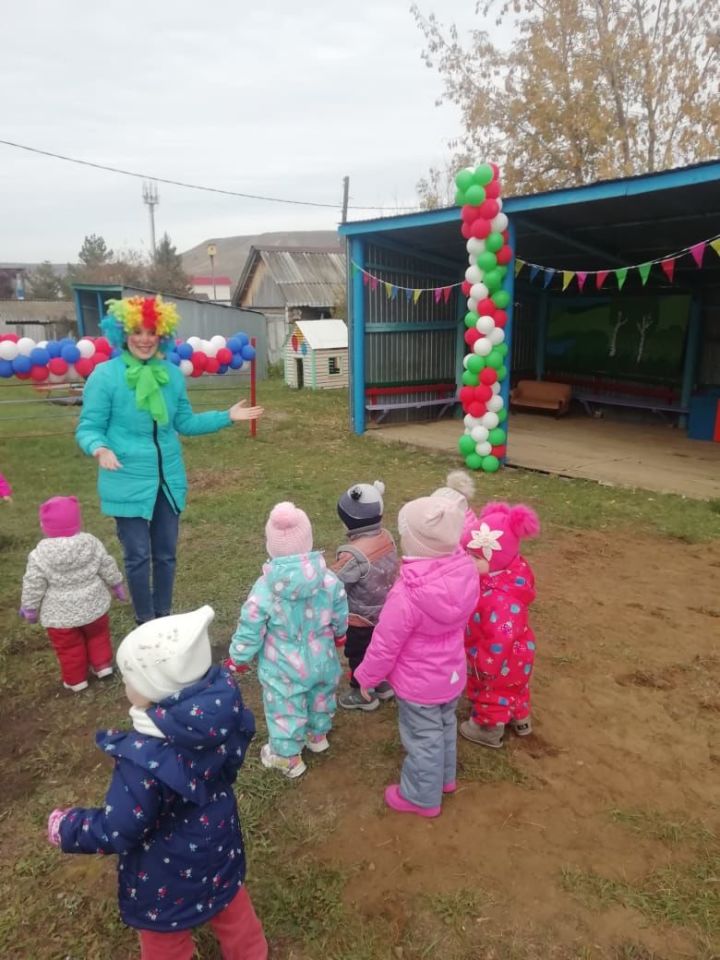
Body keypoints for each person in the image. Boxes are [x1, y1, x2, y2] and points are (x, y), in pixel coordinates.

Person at [46, 606, 267, 960]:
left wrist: (69, 827)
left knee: (165, 932)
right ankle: (251, 952)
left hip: (163, 870)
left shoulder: (144, 759)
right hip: (219, 840)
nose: (125, 684)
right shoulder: (223, 718)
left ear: (156, 689)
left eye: (130, 678)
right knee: (229, 900)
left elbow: (120, 827)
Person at [75, 295, 263, 625]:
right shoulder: (105, 377)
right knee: (137, 556)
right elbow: (89, 427)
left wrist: (226, 416)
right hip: (126, 477)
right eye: (137, 331)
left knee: (166, 555)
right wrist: (99, 449)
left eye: (151, 332)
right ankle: (145, 620)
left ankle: (163, 616)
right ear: (123, 333)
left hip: (168, 480)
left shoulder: (171, 375)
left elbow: (185, 424)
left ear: (161, 334)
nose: (145, 339)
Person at [354, 496, 479, 818]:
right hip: (451, 673)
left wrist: (367, 676)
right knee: (444, 724)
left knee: (423, 738)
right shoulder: (466, 570)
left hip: (419, 684)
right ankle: (445, 778)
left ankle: (421, 797)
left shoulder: (407, 595)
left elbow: (385, 644)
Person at [228, 502, 348, 779]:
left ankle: (287, 757)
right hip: (322, 656)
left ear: (271, 546)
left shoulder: (265, 588)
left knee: (285, 707)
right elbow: (341, 610)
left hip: (283, 665)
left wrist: (239, 658)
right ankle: (317, 736)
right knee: (320, 694)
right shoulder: (329, 579)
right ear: (309, 541)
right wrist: (340, 633)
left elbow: (251, 624)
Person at [20, 495, 126, 692]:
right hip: (93, 605)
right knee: (98, 635)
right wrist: (117, 584)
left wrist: (30, 608)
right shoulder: (91, 543)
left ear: (44, 526)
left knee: (69, 647)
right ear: (78, 522)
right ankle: (102, 666)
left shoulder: (39, 554)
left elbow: (33, 583)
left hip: (60, 615)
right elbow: (106, 564)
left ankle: (76, 680)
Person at [460, 501, 540, 749]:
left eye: (475, 557)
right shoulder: (508, 571)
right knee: (515, 688)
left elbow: (499, 639)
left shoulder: (500, 600)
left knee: (493, 691)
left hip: (499, 657)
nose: (468, 561)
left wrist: (482, 665)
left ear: (496, 557)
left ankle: (488, 729)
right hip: (518, 652)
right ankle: (520, 720)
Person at [332, 480, 399, 711]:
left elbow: (335, 584)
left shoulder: (354, 555)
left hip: (360, 618)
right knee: (380, 648)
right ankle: (382, 683)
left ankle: (363, 693)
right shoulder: (387, 537)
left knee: (359, 653)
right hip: (386, 610)